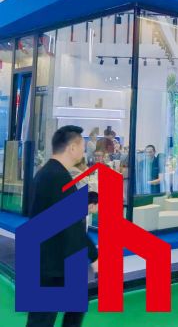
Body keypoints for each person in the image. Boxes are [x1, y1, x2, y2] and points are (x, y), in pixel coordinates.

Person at [27, 125, 98, 327]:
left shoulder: (47, 174)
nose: (84, 151)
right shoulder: (56, 177)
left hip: (55, 259)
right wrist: (94, 256)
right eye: (82, 146)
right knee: (42, 320)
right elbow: (70, 223)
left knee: (76, 307)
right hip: (51, 264)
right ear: (72, 148)